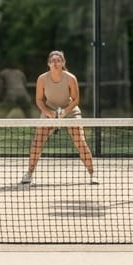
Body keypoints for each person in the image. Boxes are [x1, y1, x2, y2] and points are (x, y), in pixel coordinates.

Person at [20, 50, 97, 185]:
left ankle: (92, 173)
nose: (55, 63)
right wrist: (49, 113)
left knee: (80, 141)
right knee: (37, 143)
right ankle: (29, 173)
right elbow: (39, 100)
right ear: (49, 64)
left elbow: (75, 100)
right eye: (52, 61)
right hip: (49, 110)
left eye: (58, 60)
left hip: (70, 111)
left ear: (63, 63)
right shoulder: (42, 79)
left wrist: (65, 112)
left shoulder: (70, 78)